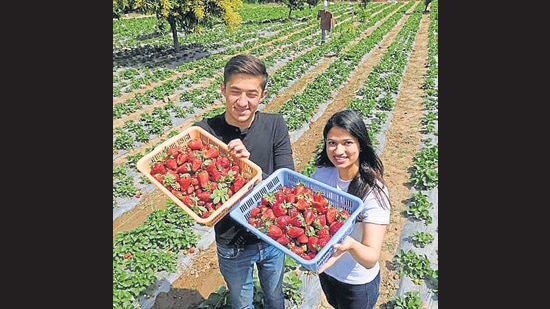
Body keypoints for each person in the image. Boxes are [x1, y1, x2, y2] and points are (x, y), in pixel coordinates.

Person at [193, 53, 295, 309]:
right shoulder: (205, 133)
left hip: (272, 238)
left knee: (274, 295)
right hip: (232, 242)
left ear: (263, 94)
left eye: (251, 94)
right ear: (223, 90)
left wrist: (249, 170)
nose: (242, 101)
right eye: (235, 91)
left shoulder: (275, 125)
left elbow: (287, 183)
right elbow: (200, 196)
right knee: (241, 302)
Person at [312, 109, 391, 309]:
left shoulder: (373, 191)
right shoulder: (322, 174)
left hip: (357, 281)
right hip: (328, 271)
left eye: (347, 142)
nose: (338, 151)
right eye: (332, 143)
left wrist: (350, 244)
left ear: (361, 145)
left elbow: (371, 258)